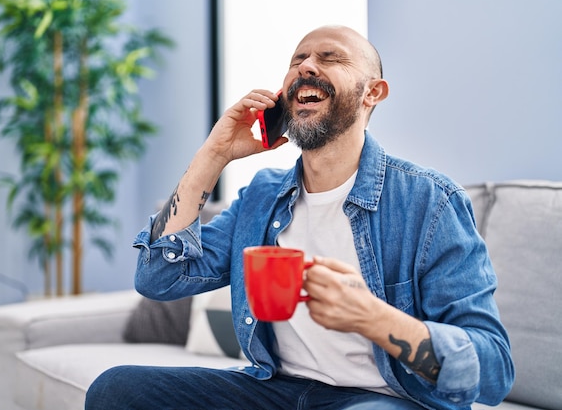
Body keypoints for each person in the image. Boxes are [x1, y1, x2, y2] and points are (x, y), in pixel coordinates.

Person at [85, 25, 514, 410]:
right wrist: (212, 157)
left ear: (372, 92)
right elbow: (158, 278)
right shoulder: (262, 196)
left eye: (330, 58)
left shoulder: (429, 201)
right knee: (116, 389)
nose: (306, 66)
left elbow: (493, 370)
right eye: (297, 60)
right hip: (275, 389)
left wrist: (372, 317)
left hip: (381, 399)